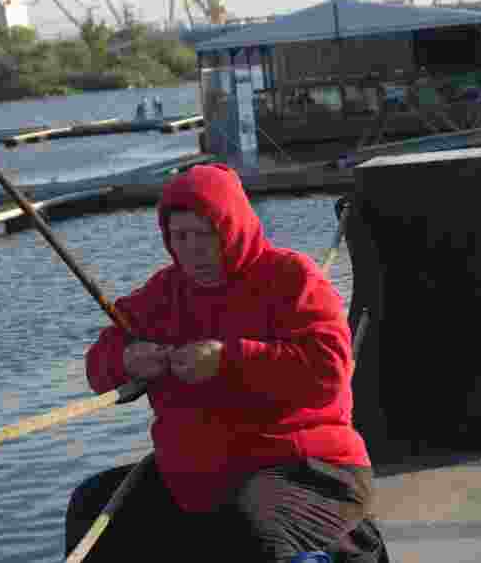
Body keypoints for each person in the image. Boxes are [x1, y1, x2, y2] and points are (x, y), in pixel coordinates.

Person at [64, 164, 389, 562]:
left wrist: (228, 360)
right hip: (200, 478)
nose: (192, 248)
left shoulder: (291, 277)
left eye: (205, 234)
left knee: (250, 528)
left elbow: (329, 369)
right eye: (180, 236)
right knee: (90, 507)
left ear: (231, 227)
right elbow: (98, 364)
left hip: (309, 469)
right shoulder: (163, 293)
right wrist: (127, 359)